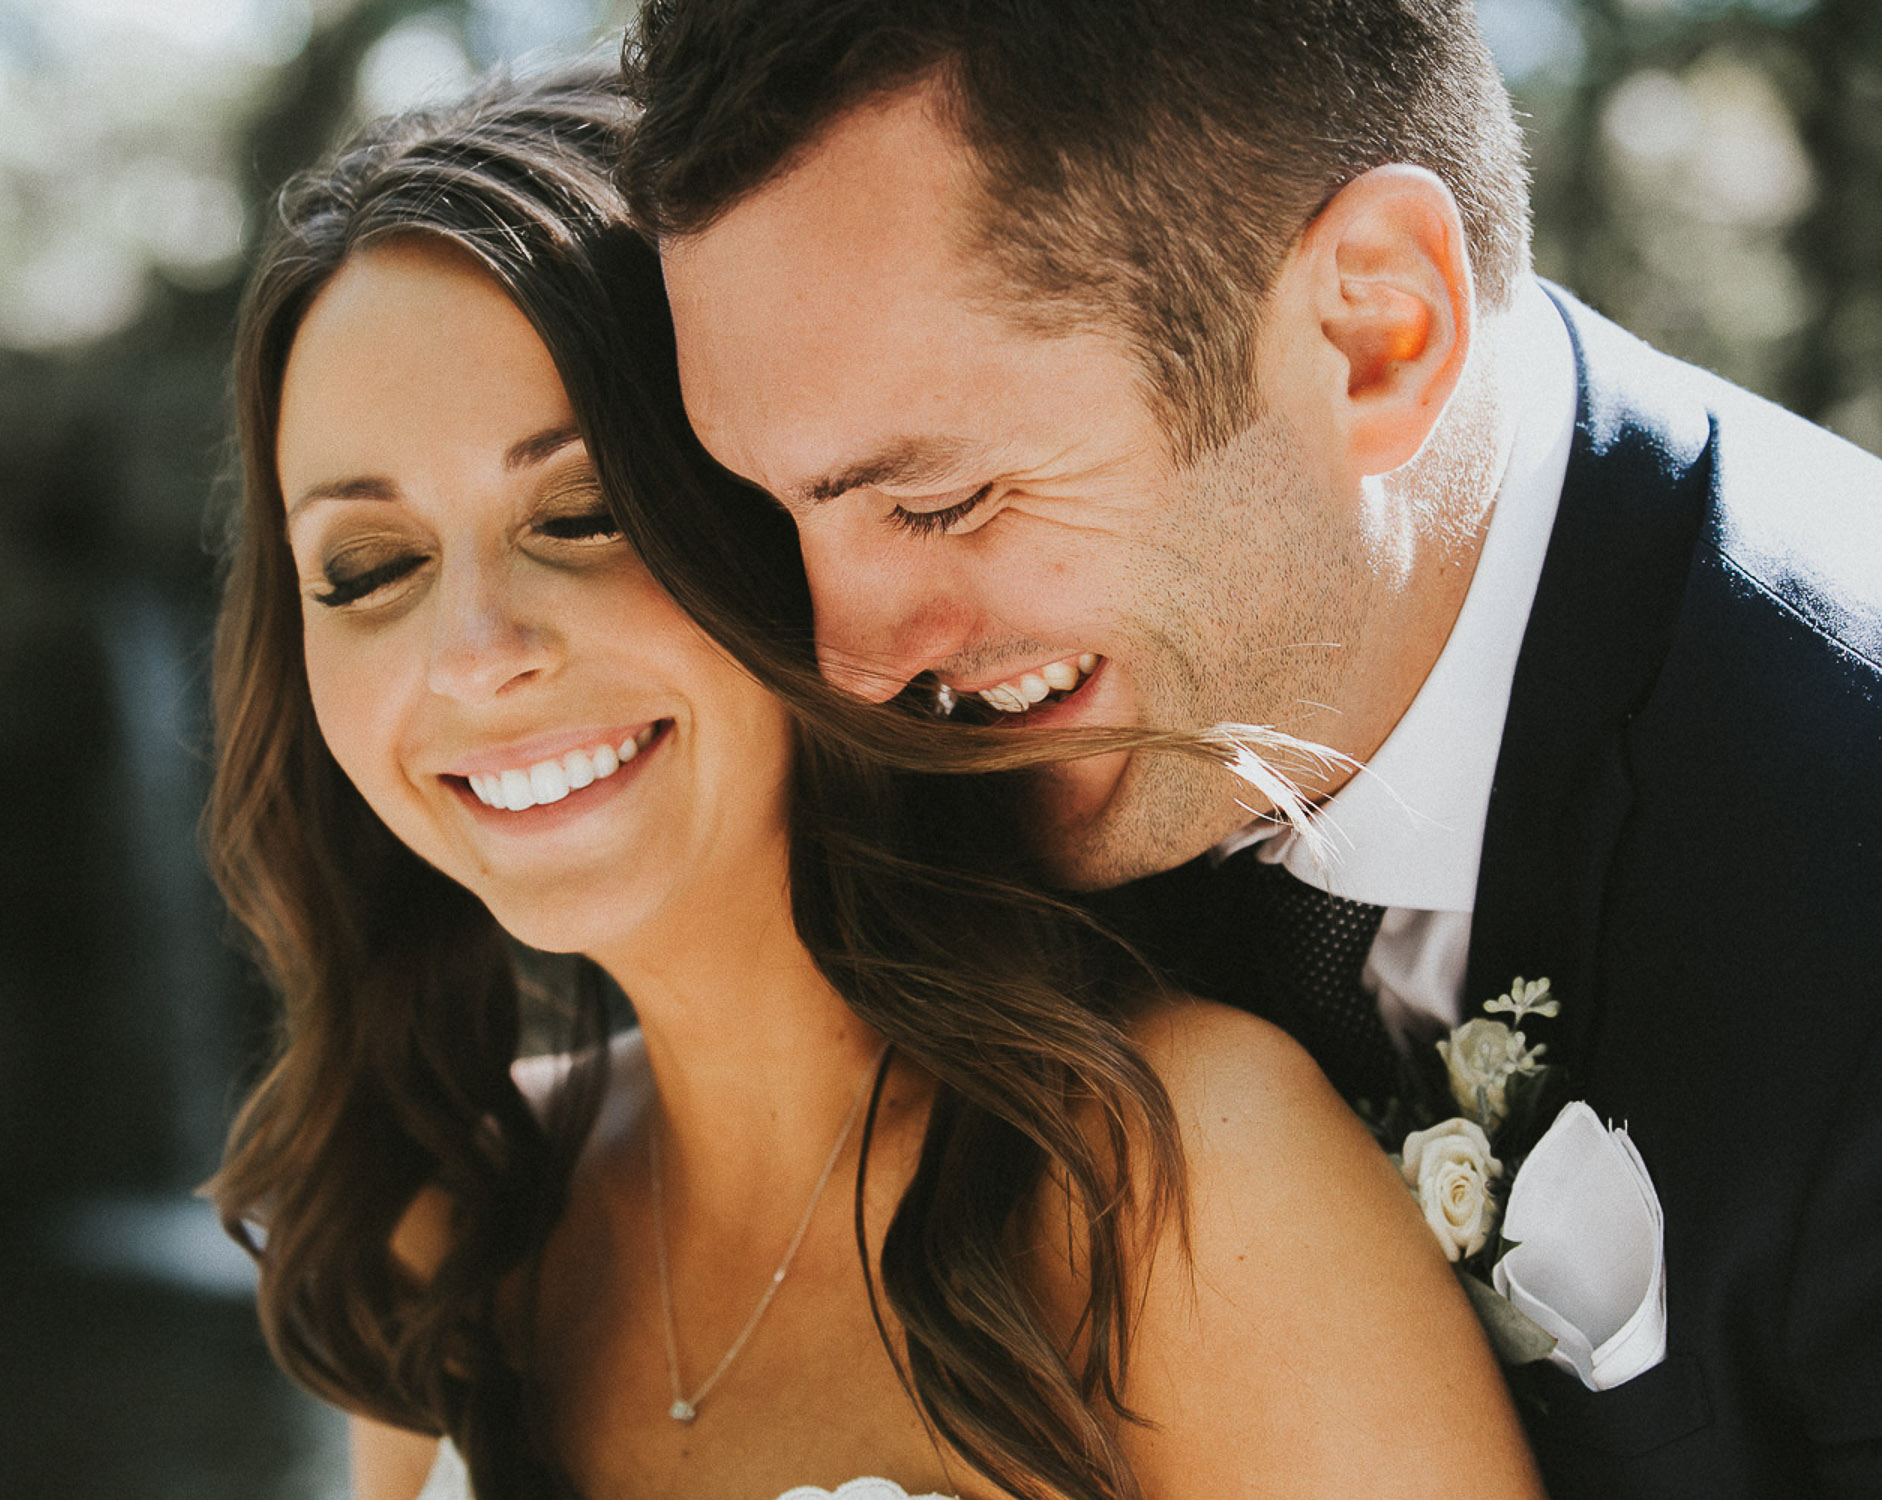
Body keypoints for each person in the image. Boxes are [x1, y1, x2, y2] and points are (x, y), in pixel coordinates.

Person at [204, 68, 1543, 1500]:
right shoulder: (453, 1218)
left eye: (582, 516)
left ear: (778, 522)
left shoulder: (1175, 1178)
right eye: (369, 568)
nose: (473, 657)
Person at [618, 2, 1882, 1495]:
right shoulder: (941, 798)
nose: (849, 662)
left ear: (1371, 334)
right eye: (780, 511)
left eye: (942, 501)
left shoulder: (1839, 845)